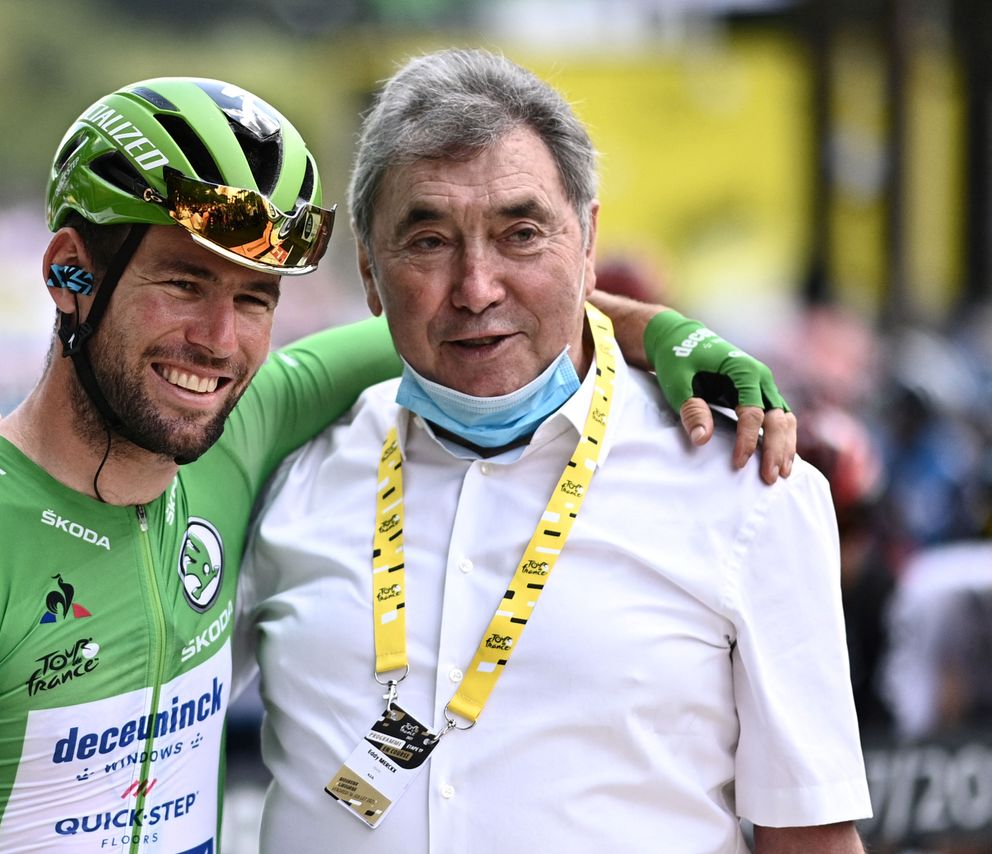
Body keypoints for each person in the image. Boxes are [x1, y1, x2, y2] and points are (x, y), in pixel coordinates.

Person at [0, 71, 802, 853]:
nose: (218, 343)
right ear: (69, 272)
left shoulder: (235, 434)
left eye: (256, 300)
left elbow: (462, 320)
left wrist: (662, 329)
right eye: (184, 283)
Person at [226, 49, 868, 853]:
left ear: (588, 239)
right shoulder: (285, 474)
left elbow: (810, 839)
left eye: (521, 234)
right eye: (427, 241)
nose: (477, 287)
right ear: (368, 268)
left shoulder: (749, 485)